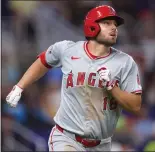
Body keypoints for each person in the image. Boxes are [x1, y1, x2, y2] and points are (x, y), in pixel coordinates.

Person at [6, 5, 142, 151]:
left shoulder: (125, 62)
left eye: (115, 24)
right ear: (92, 27)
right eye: (107, 23)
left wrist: (112, 87)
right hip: (67, 139)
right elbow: (43, 61)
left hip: (101, 144)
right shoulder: (67, 50)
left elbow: (135, 105)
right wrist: (20, 86)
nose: (114, 28)